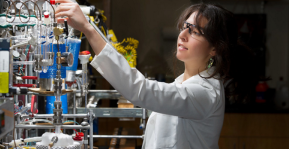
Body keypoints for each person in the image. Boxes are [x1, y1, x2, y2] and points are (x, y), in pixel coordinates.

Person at [55, 1, 257, 148]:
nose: (183, 35)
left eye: (196, 32)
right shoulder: (183, 83)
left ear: (214, 48)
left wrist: (89, 30)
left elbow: (141, 90)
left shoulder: (205, 93)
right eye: (185, 27)